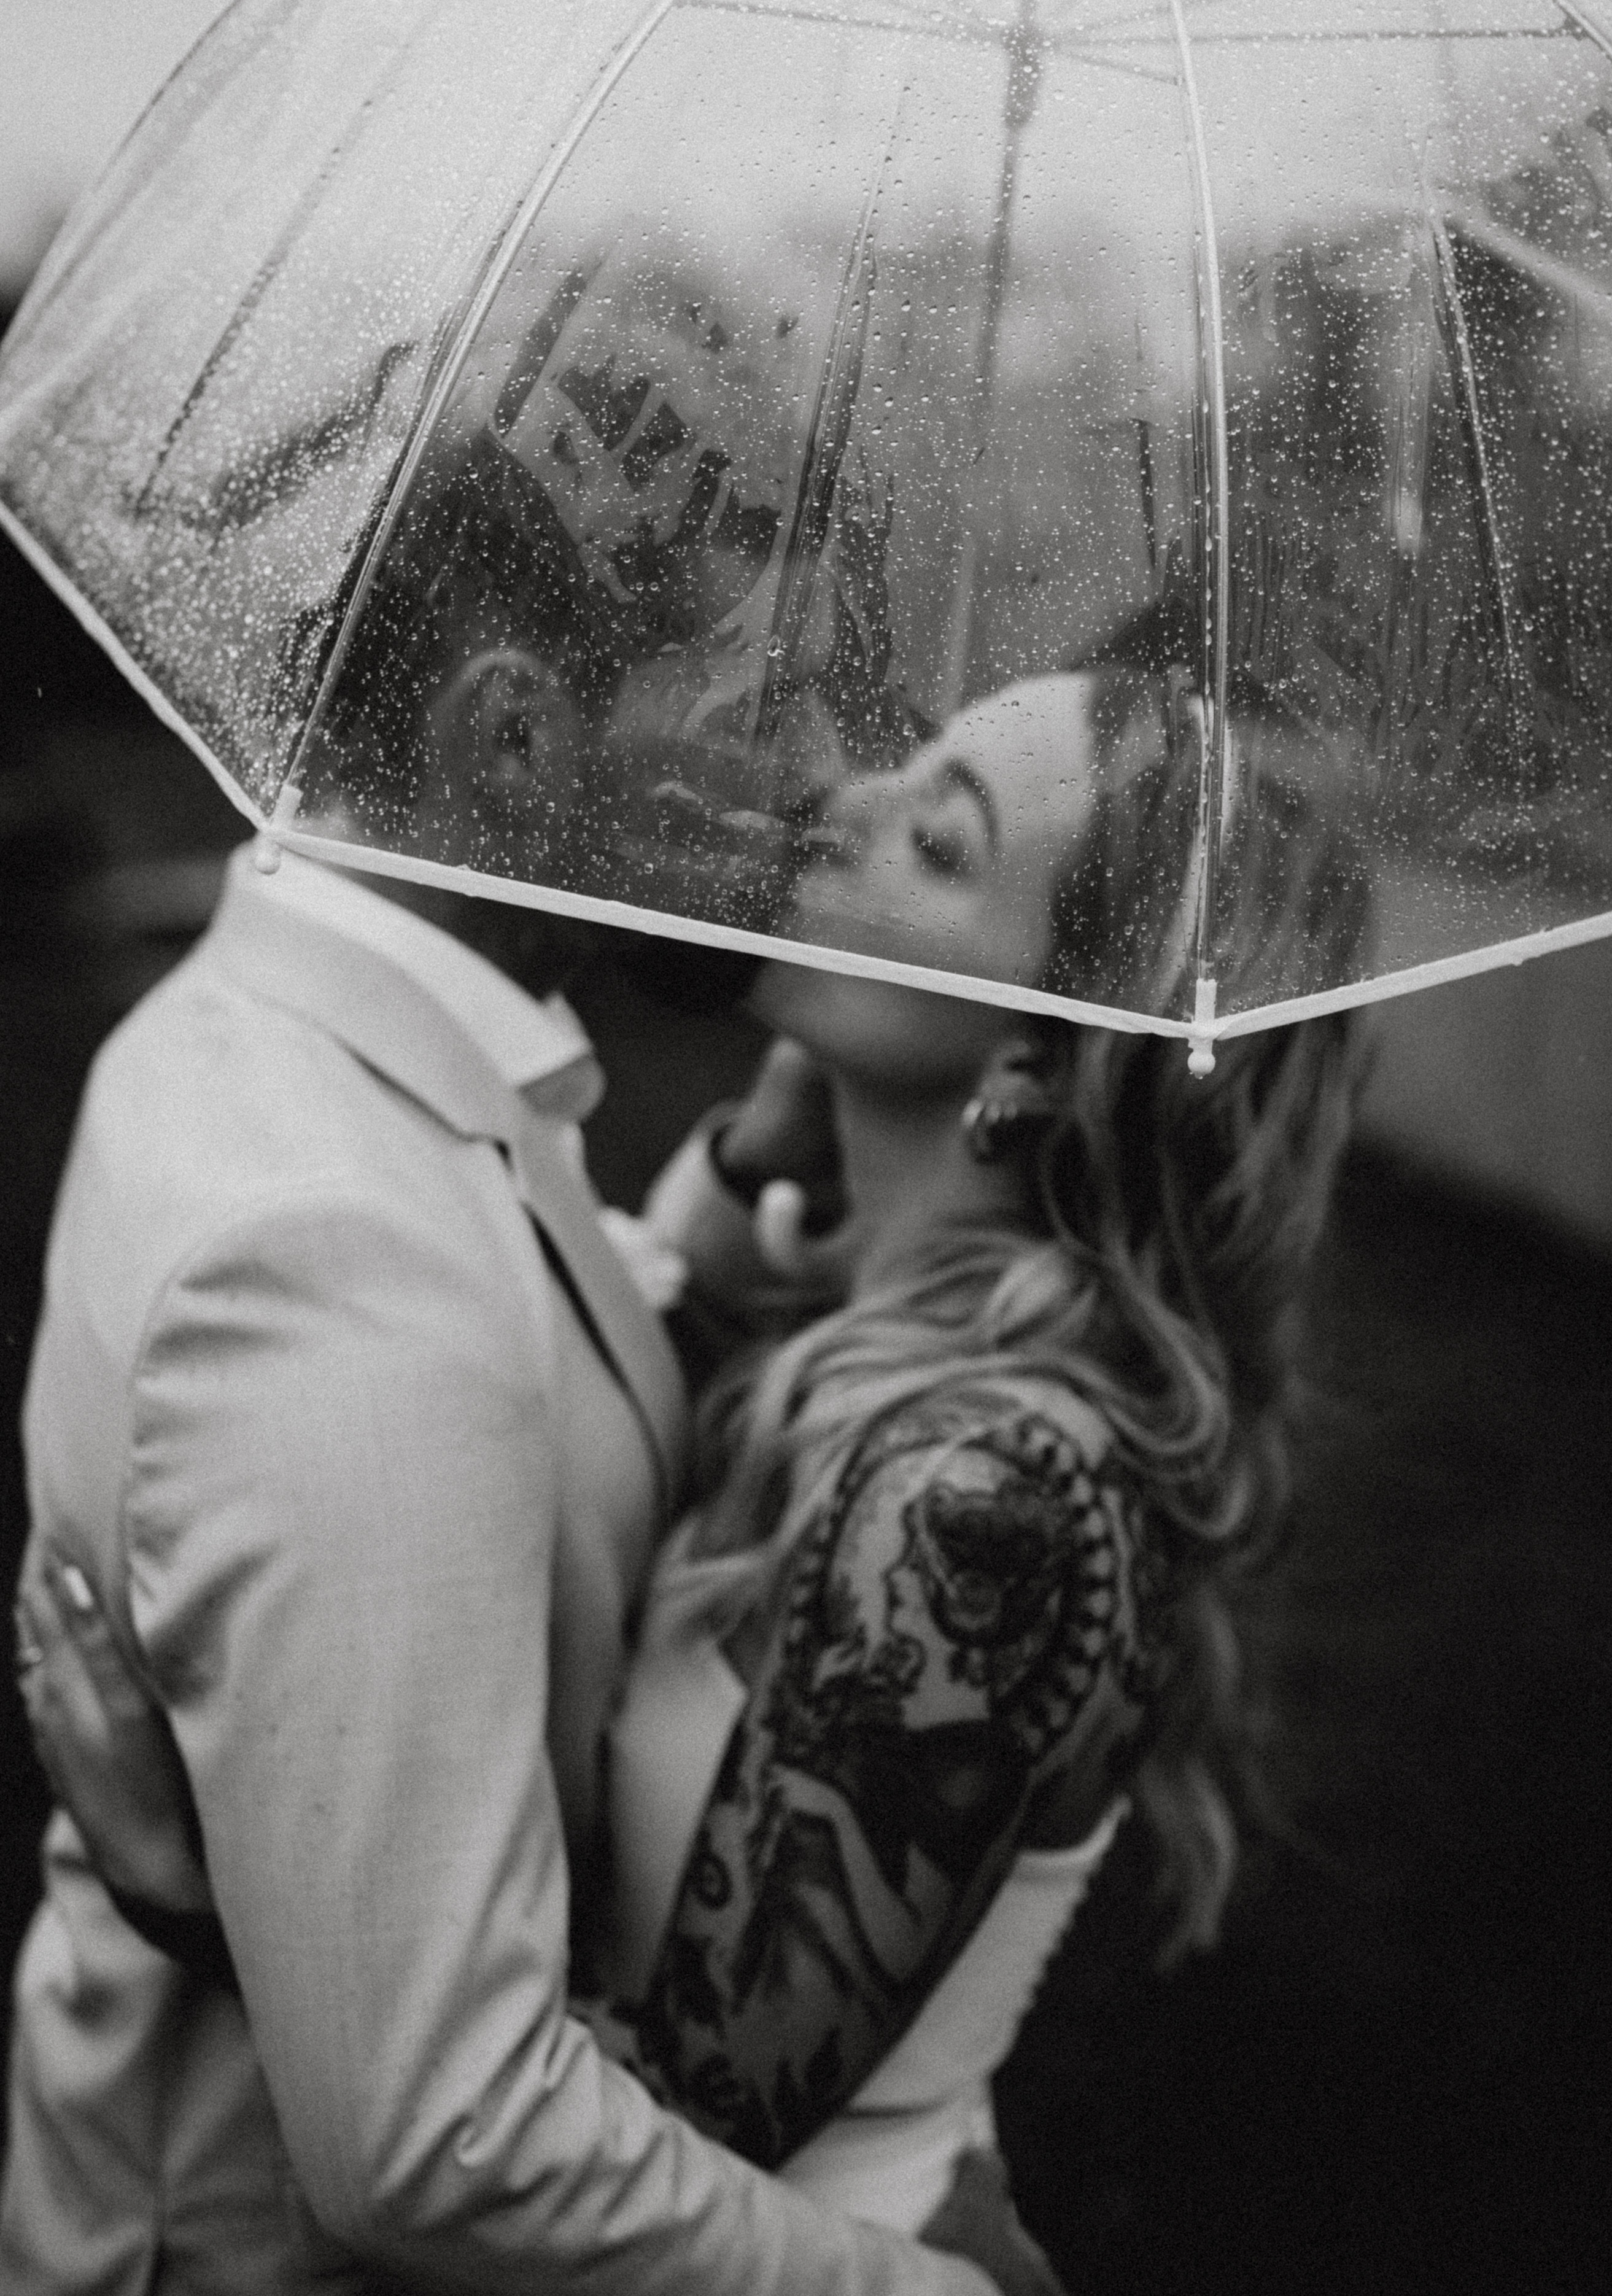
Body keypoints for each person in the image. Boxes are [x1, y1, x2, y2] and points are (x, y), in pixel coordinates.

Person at [18, 659, 1369, 2252]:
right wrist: (761, 1159)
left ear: (1030, 1056)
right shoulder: (873, 1345)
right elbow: (592, 1358)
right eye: (904, 759)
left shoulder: (980, 1506)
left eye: (934, 845)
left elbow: (667, 2122)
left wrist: (208, 1900)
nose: (837, 803)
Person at [0, 554, 1010, 2296]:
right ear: (516, 730)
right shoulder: (326, 1264)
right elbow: (441, 2142)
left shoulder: (272, 1037)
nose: (820, 776)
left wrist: (713, 1208)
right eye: (764, 703)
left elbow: (507, 1385)